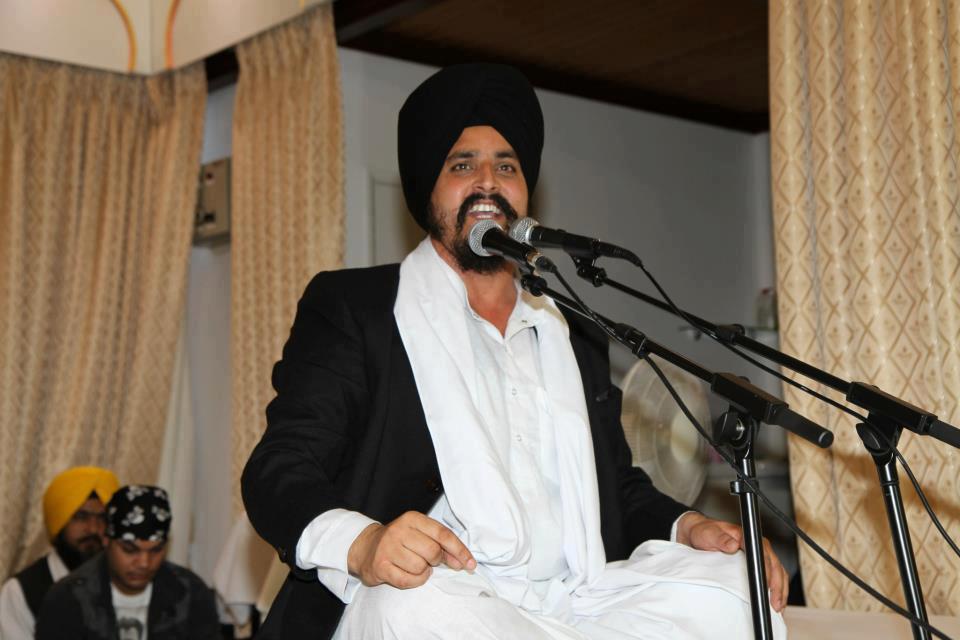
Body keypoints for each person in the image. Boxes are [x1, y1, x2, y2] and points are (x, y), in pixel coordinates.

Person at [242, 63, 789, 639]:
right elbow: (280, 468)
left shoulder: (570, 329)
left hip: (572, 602)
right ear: (427, 189)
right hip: (452, 599)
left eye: (506, 166)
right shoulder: (361, 309)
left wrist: (688, 526)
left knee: (738, 586)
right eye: (462, 165)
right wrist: (364, 543)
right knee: (412, 605)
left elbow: (616, 489)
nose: (487, 182)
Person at [35, 485, 219, 640]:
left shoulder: (190, 593)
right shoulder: (68, 598)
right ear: (106, 539)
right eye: (130, 550)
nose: (144, 563)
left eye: (156, 550)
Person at [0, 466, 119, 639]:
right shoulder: (20, 592)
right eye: (81, 517)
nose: (94, 528)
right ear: (59, 523)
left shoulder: (127, 580)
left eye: (103, 518)